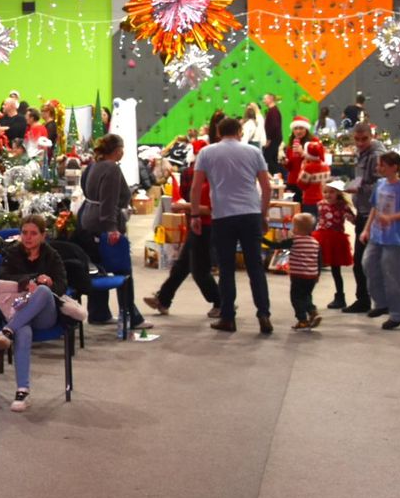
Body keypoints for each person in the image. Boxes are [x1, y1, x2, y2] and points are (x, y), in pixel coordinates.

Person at [188, 116, 273, 334]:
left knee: (226, 269)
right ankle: (263, 314)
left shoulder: (207, 152)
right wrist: (263, 214)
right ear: (240, 132)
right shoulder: (253, 152)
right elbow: (266, 186)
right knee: (255, 267)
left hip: (223, 215)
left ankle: (227, 317)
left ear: (218, 133)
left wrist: (195, 214)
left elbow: (196, 187)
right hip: (250, 213)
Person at [0, 215, 69, 412]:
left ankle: (7, 331)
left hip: (44, 315)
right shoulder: (12, 253)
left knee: (42, 290)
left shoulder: (52, 256)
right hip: (18, 309)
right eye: (24, 233)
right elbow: (3, 277)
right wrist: (29, 281)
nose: (28, 237)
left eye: (33, 233)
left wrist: (48, 282)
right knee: (23, 331)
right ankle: (22, 391)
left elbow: (62, 287)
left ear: (43, 236)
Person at [76, 134, 148, 330]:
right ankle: (131, 316)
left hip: (88, 220)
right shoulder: (111, 169)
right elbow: (109, 200)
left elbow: (85, 189)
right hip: (104, 224)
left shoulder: (92, 166)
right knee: (123, 270)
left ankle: (99, 313)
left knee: (98, 268)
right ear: (117, 150)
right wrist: (112, 228)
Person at [143, 163, 220, 320]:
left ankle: (221, 302)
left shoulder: (213, 184)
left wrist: (187, 206)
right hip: (197, 226)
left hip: (206, 228)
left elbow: (211, 210)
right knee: (181, 266)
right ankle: (163, 299)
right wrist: (188, 208)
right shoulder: (204, 182)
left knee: (199, 271)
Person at [361, 150, 400, 330]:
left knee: (393, 276)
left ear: (394, 167)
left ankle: (399, 314)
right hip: (377, 234)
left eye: (382, 165)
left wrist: (390, 218)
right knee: (369, 264)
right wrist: (367, 229)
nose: (379, 168)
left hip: (393, 237)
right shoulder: (380, 184)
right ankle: (381, 302)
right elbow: (375, 208)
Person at [343, 123, 383, 313]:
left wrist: (359, 188)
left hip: (372, 214)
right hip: (363, 210)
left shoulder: (377, 156)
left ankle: (370, 300)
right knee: (363, 261)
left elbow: (382, 185)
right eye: (357, 139)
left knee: (363, 261)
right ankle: (370, 300)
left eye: (364, 139)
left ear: (371, 136)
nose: (360, 143)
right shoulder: (362, 153)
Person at [271, 212, 322, 330]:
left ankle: (302, 320)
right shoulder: (315, 242)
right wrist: (318, 274)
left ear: (297, 228)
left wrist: (261, 239)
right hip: (312, 276)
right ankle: (313, 311)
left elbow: (276, 246)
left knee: (296, 297)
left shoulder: (294, 240)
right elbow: (319, 260)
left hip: (298, 276)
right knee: (306, 295)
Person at [316, 180, 356, 309]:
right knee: (316, 267)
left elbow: (354, 220)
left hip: (336, 240)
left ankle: (340, 296)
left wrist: (351, 218)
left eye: (331, 192)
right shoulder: (320, 204)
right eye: (325, 192)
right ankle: (306, 295)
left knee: (336, 270)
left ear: (338, 193)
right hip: (321, 237)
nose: (328, 195)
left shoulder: (343, 206)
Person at [284, 117, 313, 197]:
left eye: (301, 128)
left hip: (307, 181)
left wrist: (303, 153)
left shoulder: (313, 143)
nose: (298, 131)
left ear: (306, 129)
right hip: (293, 181)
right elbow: (290, 167)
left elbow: (318, 161)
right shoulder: (291, 145)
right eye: (295, 128)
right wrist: (285, 162)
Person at [262, 93, 283, 173]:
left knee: (269, 159)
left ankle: (275, 176)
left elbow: (274, 126)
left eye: (265, 99)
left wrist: (269, 139)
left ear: (270, 99)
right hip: (274, 139)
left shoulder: (273, 111)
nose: (263, 101)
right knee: (272, 159)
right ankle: (276, 176)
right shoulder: (273, 111)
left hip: (273, 140)